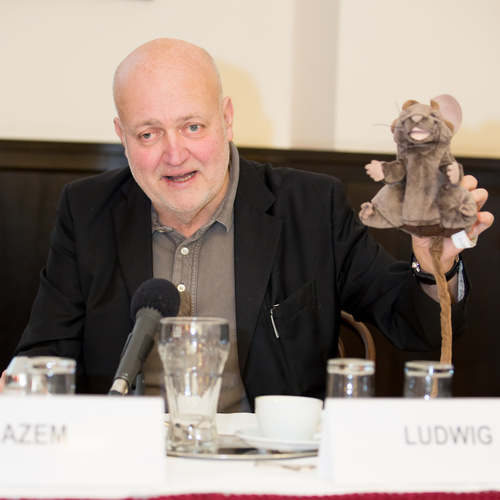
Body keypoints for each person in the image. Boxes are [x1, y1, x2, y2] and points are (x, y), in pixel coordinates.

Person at [0, 38, 493, 410]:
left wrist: (433, 267)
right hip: (125, 465)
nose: (175, 154)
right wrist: (20, 382)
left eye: (193, 126)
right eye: (149, 133)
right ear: (122, 137)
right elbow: (44, 352)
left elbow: (415, 325)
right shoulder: (86, 211)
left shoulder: (309, 204)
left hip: (272, 467)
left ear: (227, 118)